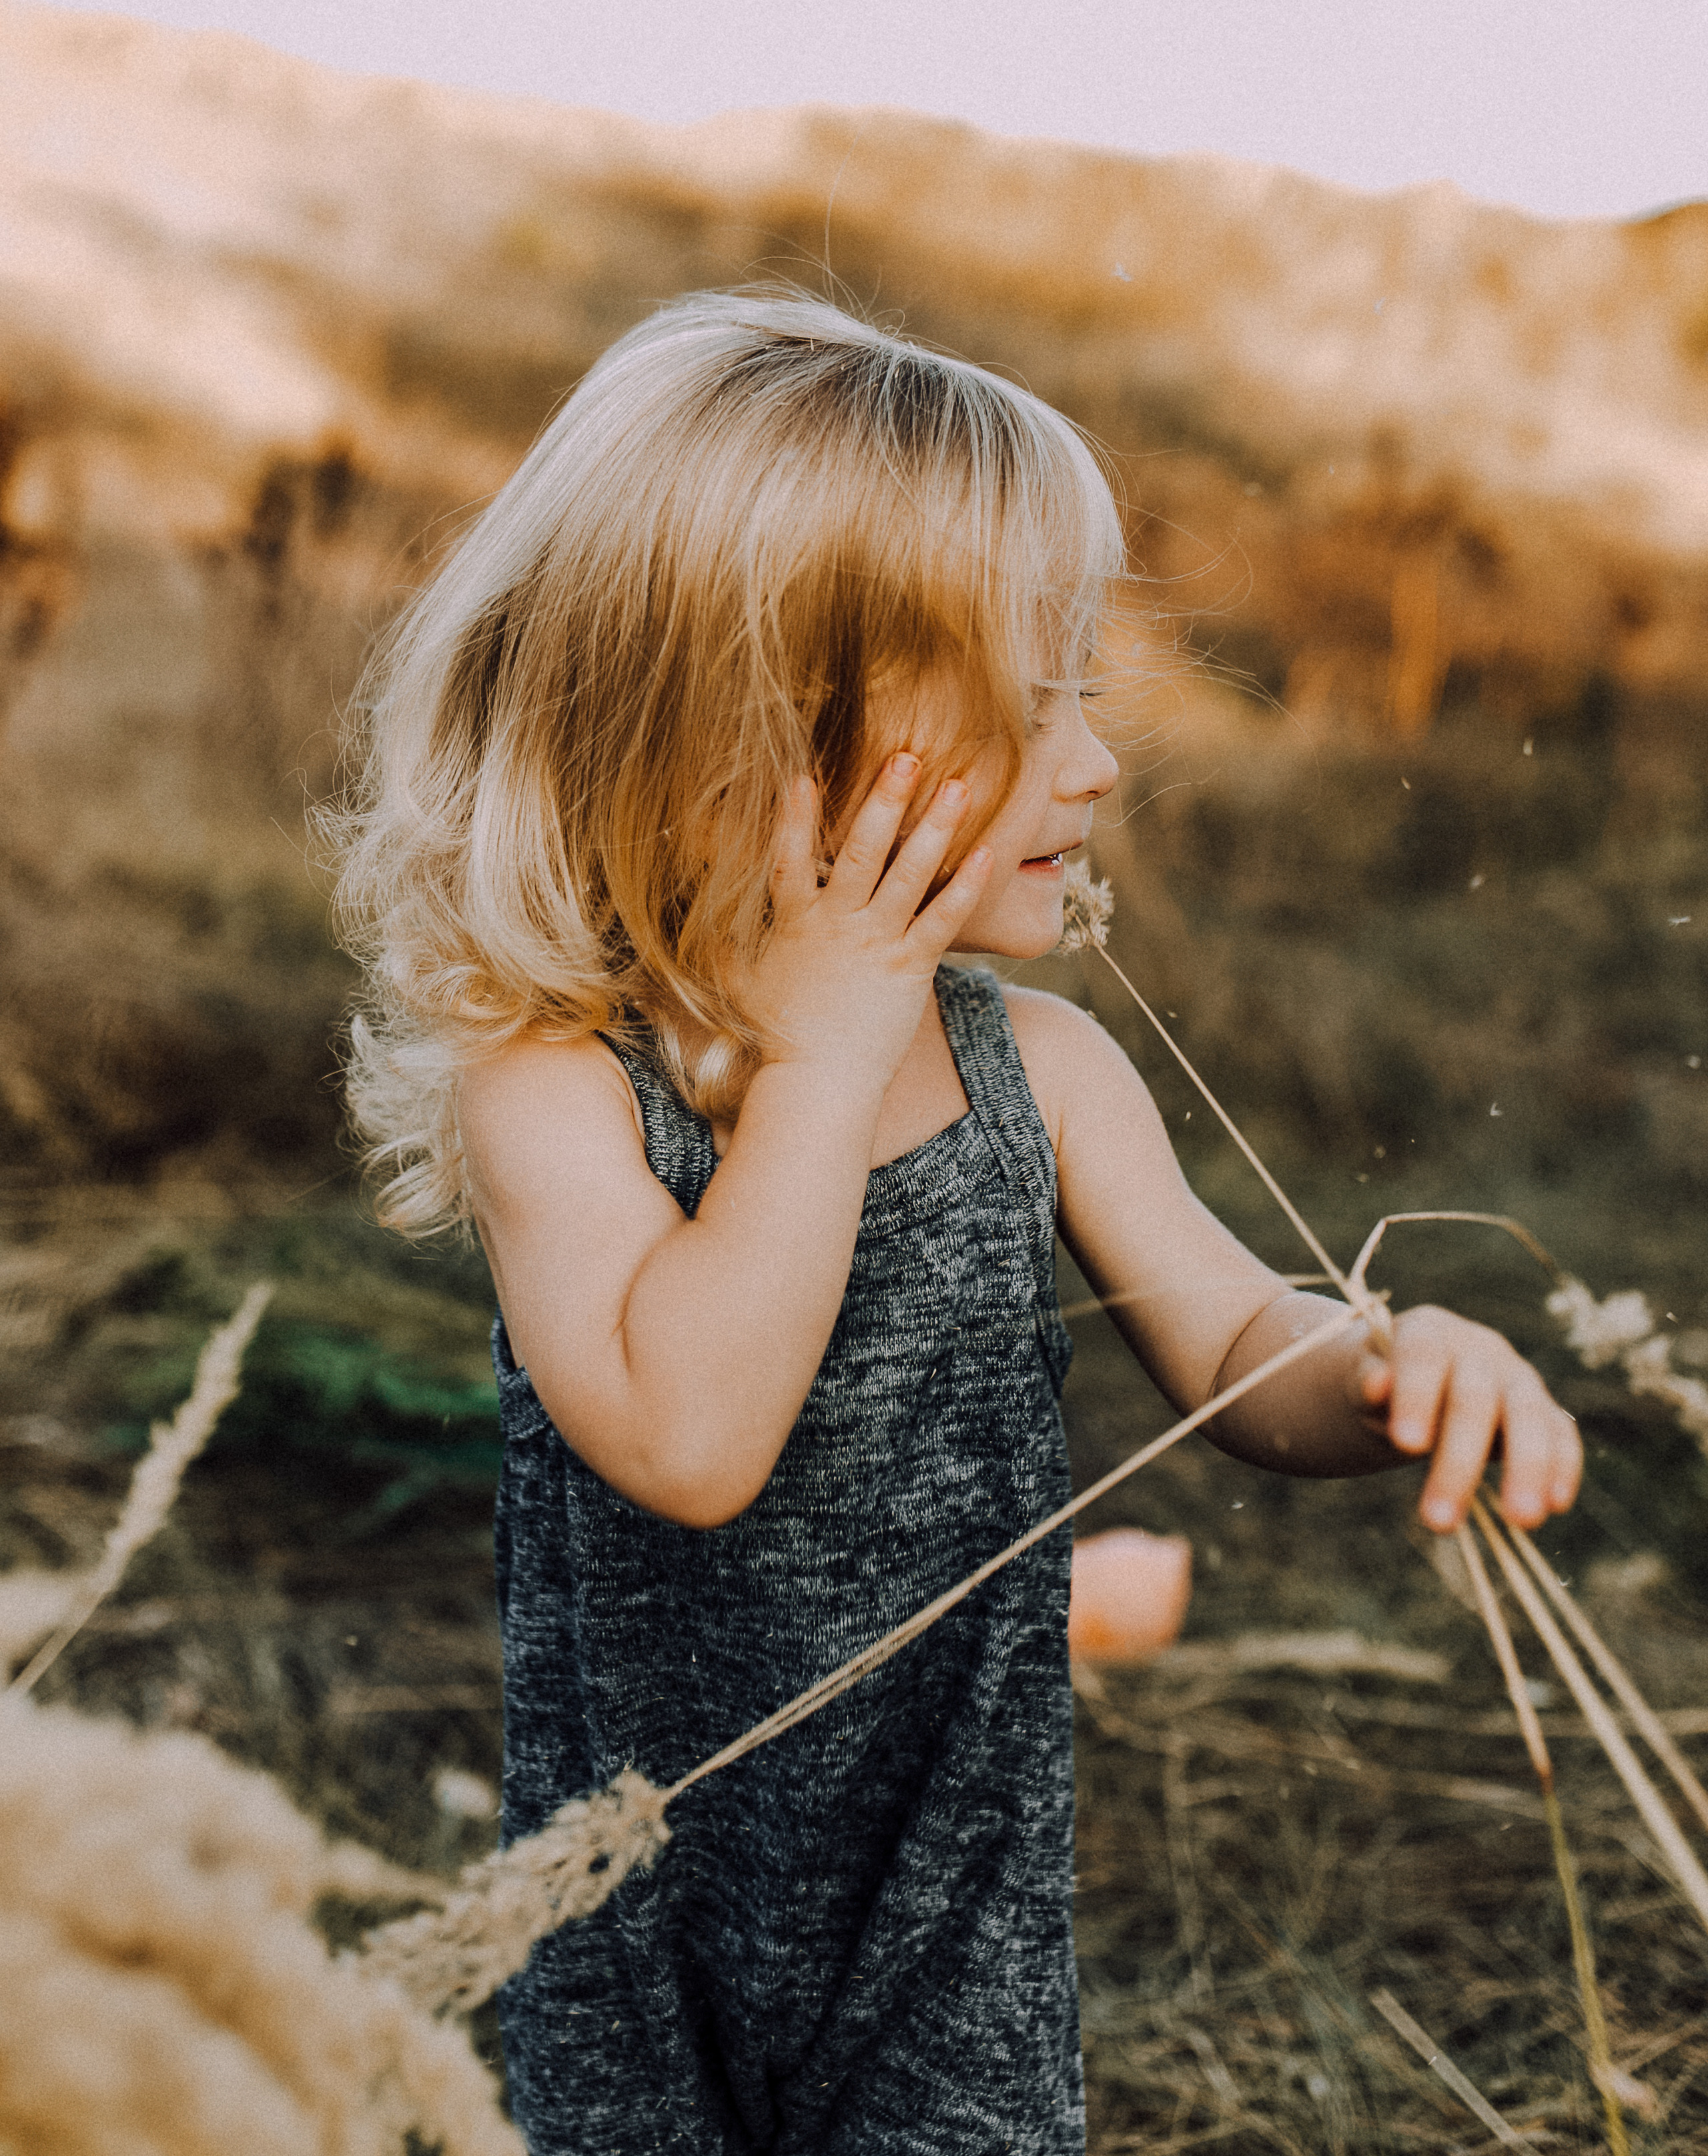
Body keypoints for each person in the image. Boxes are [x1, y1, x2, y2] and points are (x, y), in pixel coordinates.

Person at [333, 290, 1581, 2155]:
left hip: (949, 1915)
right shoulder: (564, 1088)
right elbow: (690, 1441)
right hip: (630, 1925)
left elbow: (1240, 1353)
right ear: (757, 731)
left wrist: (1397, 1365)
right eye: (1032, 693)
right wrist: (827, 1062)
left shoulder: (1044, 1075)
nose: (1093, 762)